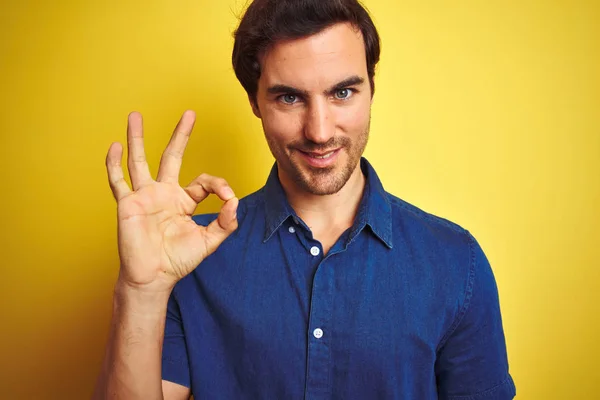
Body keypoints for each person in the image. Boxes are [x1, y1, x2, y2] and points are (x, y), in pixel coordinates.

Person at [94, 0, 516, 399]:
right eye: (289, 97)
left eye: (343, 93)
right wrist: (141, 291)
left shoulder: (456, 262)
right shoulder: (186, 258)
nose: (319, 130)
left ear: (371, 87)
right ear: (255, 102)